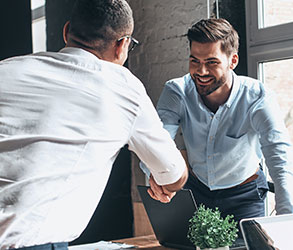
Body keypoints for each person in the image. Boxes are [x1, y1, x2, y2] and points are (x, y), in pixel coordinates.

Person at [0, 0, 188, 249]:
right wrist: (163, 179)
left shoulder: (7, 69)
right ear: (122, 46)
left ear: (66, 32)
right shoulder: (121, 87)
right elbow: (174, 174)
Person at [146, 18, 293, 222]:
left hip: (244, 196)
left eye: (211, 62)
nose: (201, 72)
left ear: (233, 61)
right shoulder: (177, 91)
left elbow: (280, 158)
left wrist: (288, 223)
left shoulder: (258, 97)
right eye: (195, 61)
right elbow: (157, 139)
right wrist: (154, 173)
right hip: (196, 192)